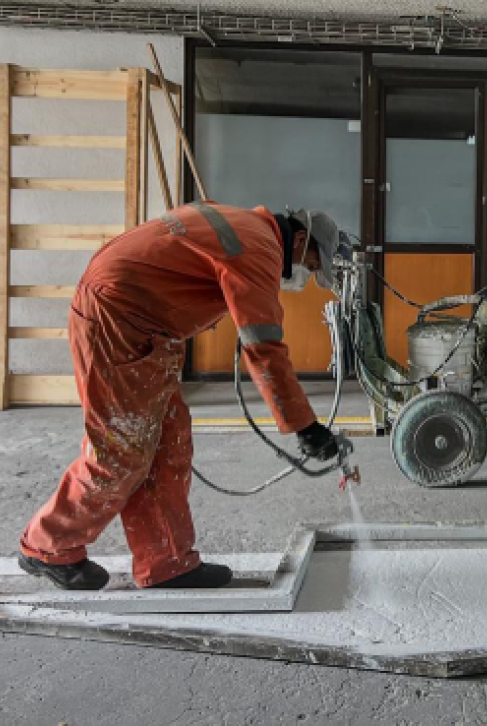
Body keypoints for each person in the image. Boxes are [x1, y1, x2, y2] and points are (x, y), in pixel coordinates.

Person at [18, 203, 350, 591]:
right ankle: (47, 545)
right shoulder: (259, 249)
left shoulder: (247, 227)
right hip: (118, 317)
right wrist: (304, 424)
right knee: (121, 449)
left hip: (143, 324)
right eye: (311, 263)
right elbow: (264, 346)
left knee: (168, 441)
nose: (306, 274)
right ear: (298, 239)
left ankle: (166, 563)